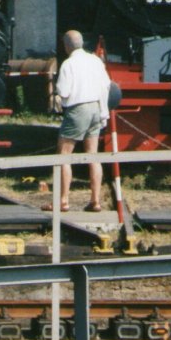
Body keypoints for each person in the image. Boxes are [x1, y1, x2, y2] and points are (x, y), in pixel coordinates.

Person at [44, 30, 112, 213]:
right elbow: (107, 84)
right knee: (93, 155)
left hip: (78, 110)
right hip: (96, 108)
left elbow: (64, 91)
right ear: (82, 43)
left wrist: (57, 94)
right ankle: (95, 201)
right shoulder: (95, 60)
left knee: (63, 155)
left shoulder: (69, 64)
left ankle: (63, 200)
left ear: (66, 46)